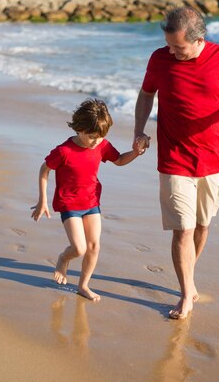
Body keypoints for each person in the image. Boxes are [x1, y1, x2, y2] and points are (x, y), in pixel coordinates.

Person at [133, 7, 219, 319]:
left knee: (202, 226)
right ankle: (186, 293)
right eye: (168, 44)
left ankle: (189, 280)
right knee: (182, 229)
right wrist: (139, 130)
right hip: (173, 158)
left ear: (199, 39)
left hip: (212, 161)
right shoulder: (159, 59)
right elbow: (145, 94)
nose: (171, 51)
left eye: (178, 47)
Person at [32, 98, 147, 301]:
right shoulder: (64, 151)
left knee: (94, 246)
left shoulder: (101, 145)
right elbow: (44, 170)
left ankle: (83, 286)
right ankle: (63, 258)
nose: (96, 141)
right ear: (80, 129)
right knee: (79, 248)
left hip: (92, 201)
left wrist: (136, 153)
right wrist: (43, 201)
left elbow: (119, 160)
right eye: (92, 137)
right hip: (69, 203)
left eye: (101, 137)